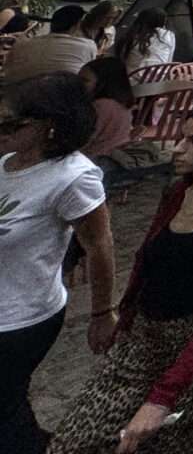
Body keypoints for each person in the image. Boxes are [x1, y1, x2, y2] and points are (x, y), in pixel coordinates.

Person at [50, 93, 193, 454]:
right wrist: (119, 318)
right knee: (74, 441)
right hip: (143, 335)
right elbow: (146, 259)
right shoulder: (178, 190)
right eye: (181, 137)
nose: (178, 148)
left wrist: (163, 397)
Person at [0, 74, 116, 452]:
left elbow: (99, 244)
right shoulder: (5, 161)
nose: (5, 129)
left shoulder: (73, 177)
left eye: (15, 123)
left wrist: (102, 313)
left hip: (22, 317)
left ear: (48, 126)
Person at [4, 4, 99, 85]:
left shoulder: (24, 43)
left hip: (15, 96)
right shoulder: (88, 46)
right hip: (56, 101)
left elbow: (7, 72)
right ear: (77, 25)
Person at [112, 9, 176, 76]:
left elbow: (122, 59)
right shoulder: (168, 35)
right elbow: (169, 59)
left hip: (133, 79)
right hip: (160, 78)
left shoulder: (132, 37)